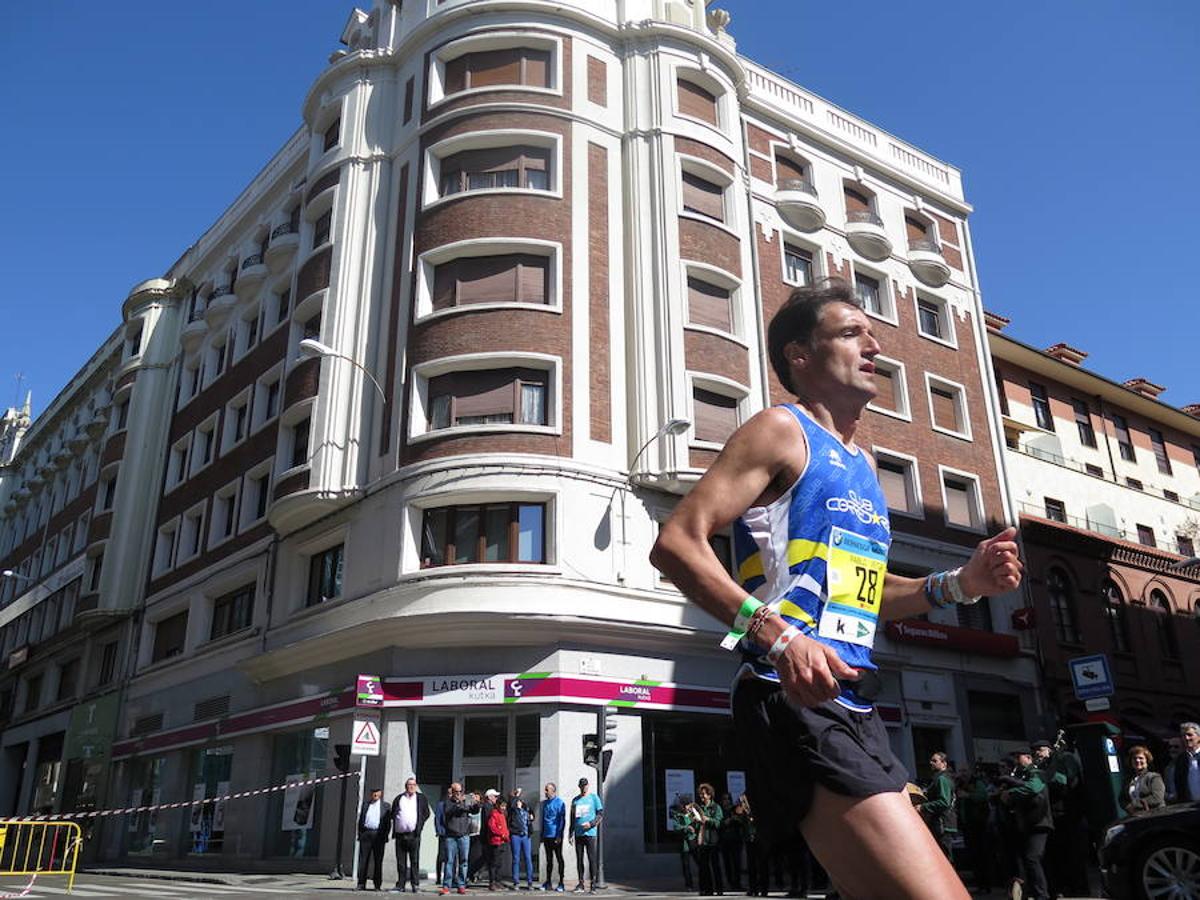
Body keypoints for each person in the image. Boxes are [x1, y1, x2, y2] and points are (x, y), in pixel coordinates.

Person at [650, 278, 1023, 900]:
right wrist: (777, 639)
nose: (872, 346)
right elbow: (677, 542)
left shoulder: (864, 464)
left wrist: (961, 584)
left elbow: (864, 592)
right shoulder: (779, 429)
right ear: (800, 354)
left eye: (872, 335)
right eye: (851, 334)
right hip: (788, 691)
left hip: (850, 698)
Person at [1032, 736, 1087, 899]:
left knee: (1073, 852)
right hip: (1054, 815)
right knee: (1058, 854)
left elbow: (1066, 782)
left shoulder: (1064, 760)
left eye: (1040, 750)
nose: (1037, 753)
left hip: (1069, 814)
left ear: (1049, 749)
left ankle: (1078, 887)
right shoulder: (1044, 766)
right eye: (1035, 751)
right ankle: (1062, 886)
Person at [1001, 750, 1052, 900]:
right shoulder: (1021, 775)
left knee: (1032, 858)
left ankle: (1042, 896)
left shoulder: (1036, 773)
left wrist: (1010, 793)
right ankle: (1033, 893)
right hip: (1027, 823)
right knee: (1028, 860)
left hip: (1040, 822)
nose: (1017, 761)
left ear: (1029, 758)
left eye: (1019, 758)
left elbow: (1032, 788)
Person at [392, 776, 431, 893]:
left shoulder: (421, 798)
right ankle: (401, 884)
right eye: (409, 785)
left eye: (413, 785)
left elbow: (426, 813)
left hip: (414, 835)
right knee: (401, 862)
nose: (411, 787)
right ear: (406, 786)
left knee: (414, 861)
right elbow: (393, 813)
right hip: (400, 835)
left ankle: (415, 884)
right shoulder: (399, 798)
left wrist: (419, 825)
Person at [441, 783, 481, 896]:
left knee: (464, 861)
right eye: (456, 792)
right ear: (452, 792)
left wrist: (475, 803)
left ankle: (461, 885)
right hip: (451, 835)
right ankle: (446, 886)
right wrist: (459, 804)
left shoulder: (465, 801)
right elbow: (449, 811)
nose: (459, 794)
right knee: (449, 861)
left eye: (460, 792)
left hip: (464, 835)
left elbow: (475, 811)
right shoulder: (448, 802)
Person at [918, 752, 958, 860]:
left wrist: (923, 807)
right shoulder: (940, 778)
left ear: (944, 764)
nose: (931, 763)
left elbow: (944, 802)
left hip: (942, 824)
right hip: (941, 823)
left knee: (944, 858)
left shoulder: (942, 779)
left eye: (935, 761)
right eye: (931, 760)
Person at [568, 777, 603, 893]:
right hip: (579, 834)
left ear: (588, 786)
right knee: (579, 859)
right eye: (582, 786)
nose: (584, 787)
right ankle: (581, 883)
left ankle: (593, 885)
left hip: (590, 833)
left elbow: (600, 814)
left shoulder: (594, 798)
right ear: (579, 787)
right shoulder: (575, 800)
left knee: (591, 859)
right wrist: (570, 833)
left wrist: (591, 824)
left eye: (585, 785)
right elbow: (572, 818)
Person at [358, 787, 393, 892]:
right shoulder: (365, 805)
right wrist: (360, 834)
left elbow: (388, 823)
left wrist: (386, 835)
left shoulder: (386, 806)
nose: (375, 794)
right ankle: (361, 884)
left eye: (377, 792)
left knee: (378, 861)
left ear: (381, 794)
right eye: (373, 792)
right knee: (363, 860)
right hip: (366, 834)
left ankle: (377, 885)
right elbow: (361, 820)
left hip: (379, 836)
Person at [692, 783, 724, 896]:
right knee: (703, 867)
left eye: (704, 794)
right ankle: (706, 889)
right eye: (700, 794)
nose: (702, 796)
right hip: (702, 841)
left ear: (710, 795)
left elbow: (718, 823)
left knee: (715, 866)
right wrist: (696, 821)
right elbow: (697, 825)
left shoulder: (716, 807)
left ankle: (719, 889)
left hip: (713, 841)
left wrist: (708, 819)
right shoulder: (699, 807)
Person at [1123, 745, 1166, 815]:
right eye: (1134, 758)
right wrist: (1127, 806)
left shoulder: (1154, 777)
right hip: (1136, 816)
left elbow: (1157, 797)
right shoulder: (1128, 780)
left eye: (1141, 758)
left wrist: (1135, 805)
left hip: (1155, 815)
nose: (1137, 760)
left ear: (1147, 760)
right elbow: (1122, 798)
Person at [539, 782, 567, 892]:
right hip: (546, 835)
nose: (545, 792)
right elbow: (543, 820)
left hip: (556, 835)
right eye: (545, 789)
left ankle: (561, 882)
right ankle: (548, 882)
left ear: (553, 791)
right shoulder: (544, 803)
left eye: (547, 790)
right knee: (549, 860)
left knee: (559, 858)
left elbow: (562, 820)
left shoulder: (560, 803)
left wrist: (559, 835)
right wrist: (541, 834)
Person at [1166, 721, 1200, 803]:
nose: (1186, 738)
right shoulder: (1180, 760)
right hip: (1189, 809)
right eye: (1183, 735)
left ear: (1199, 737)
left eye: (1189, 735)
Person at [508, 788, 535, 890]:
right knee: (516, 858)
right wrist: (516, 796)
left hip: (526, 835)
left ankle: (530, 881)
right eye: (518, 799)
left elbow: (532, 815)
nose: (520, 801)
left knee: (528, 858)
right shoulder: (513, 809)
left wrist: (532, 817)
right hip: (516, 835)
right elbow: (511, 804)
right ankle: (516, 881)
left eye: (521, 799)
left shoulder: (526, 808)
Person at [486, 799, 511, 890]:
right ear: (498, 806)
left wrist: (506, 836)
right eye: (502, 806)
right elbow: (492, 827)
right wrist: (502, 834)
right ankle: (492, 882)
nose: (503, 808)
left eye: (504, 806)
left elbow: (504, 827)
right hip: (496, 841)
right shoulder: (494, 814)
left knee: (499, 863)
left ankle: (498, 881)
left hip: (502, 841)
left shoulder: (503, 815)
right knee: (494, 863)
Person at [435, 788, 451, 887]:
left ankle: (449, 876)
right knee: (441, 856)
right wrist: (439, 831)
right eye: (449, 793)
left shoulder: (456, 804)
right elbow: (437, 818)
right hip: (444, 834)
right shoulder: (441, 804)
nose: (450, 795)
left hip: (453, 833)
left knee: (450, 857)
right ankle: (438, 877)